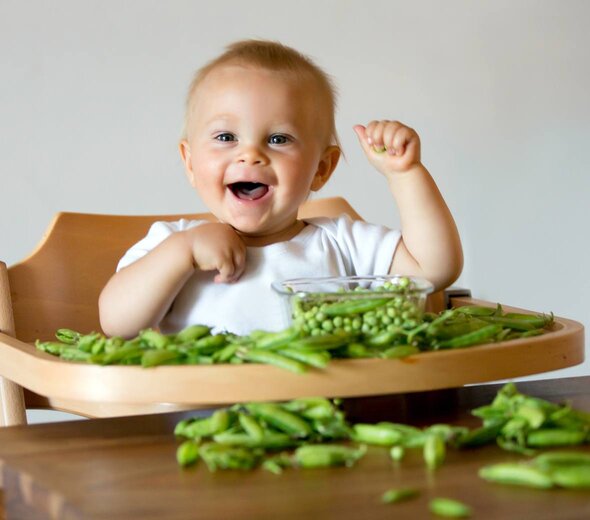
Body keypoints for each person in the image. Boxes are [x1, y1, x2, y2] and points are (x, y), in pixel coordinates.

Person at [98, 39, 463, 338]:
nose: (250, 154)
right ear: (190, 162)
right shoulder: (170, 245)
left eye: (278, 139)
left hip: (323, 404)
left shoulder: (342, 243)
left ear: (321, 169)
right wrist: (183, 252)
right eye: (225, 137)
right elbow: (117, 323)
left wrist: (405, 174)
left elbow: (434, 269)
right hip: (203, 407)